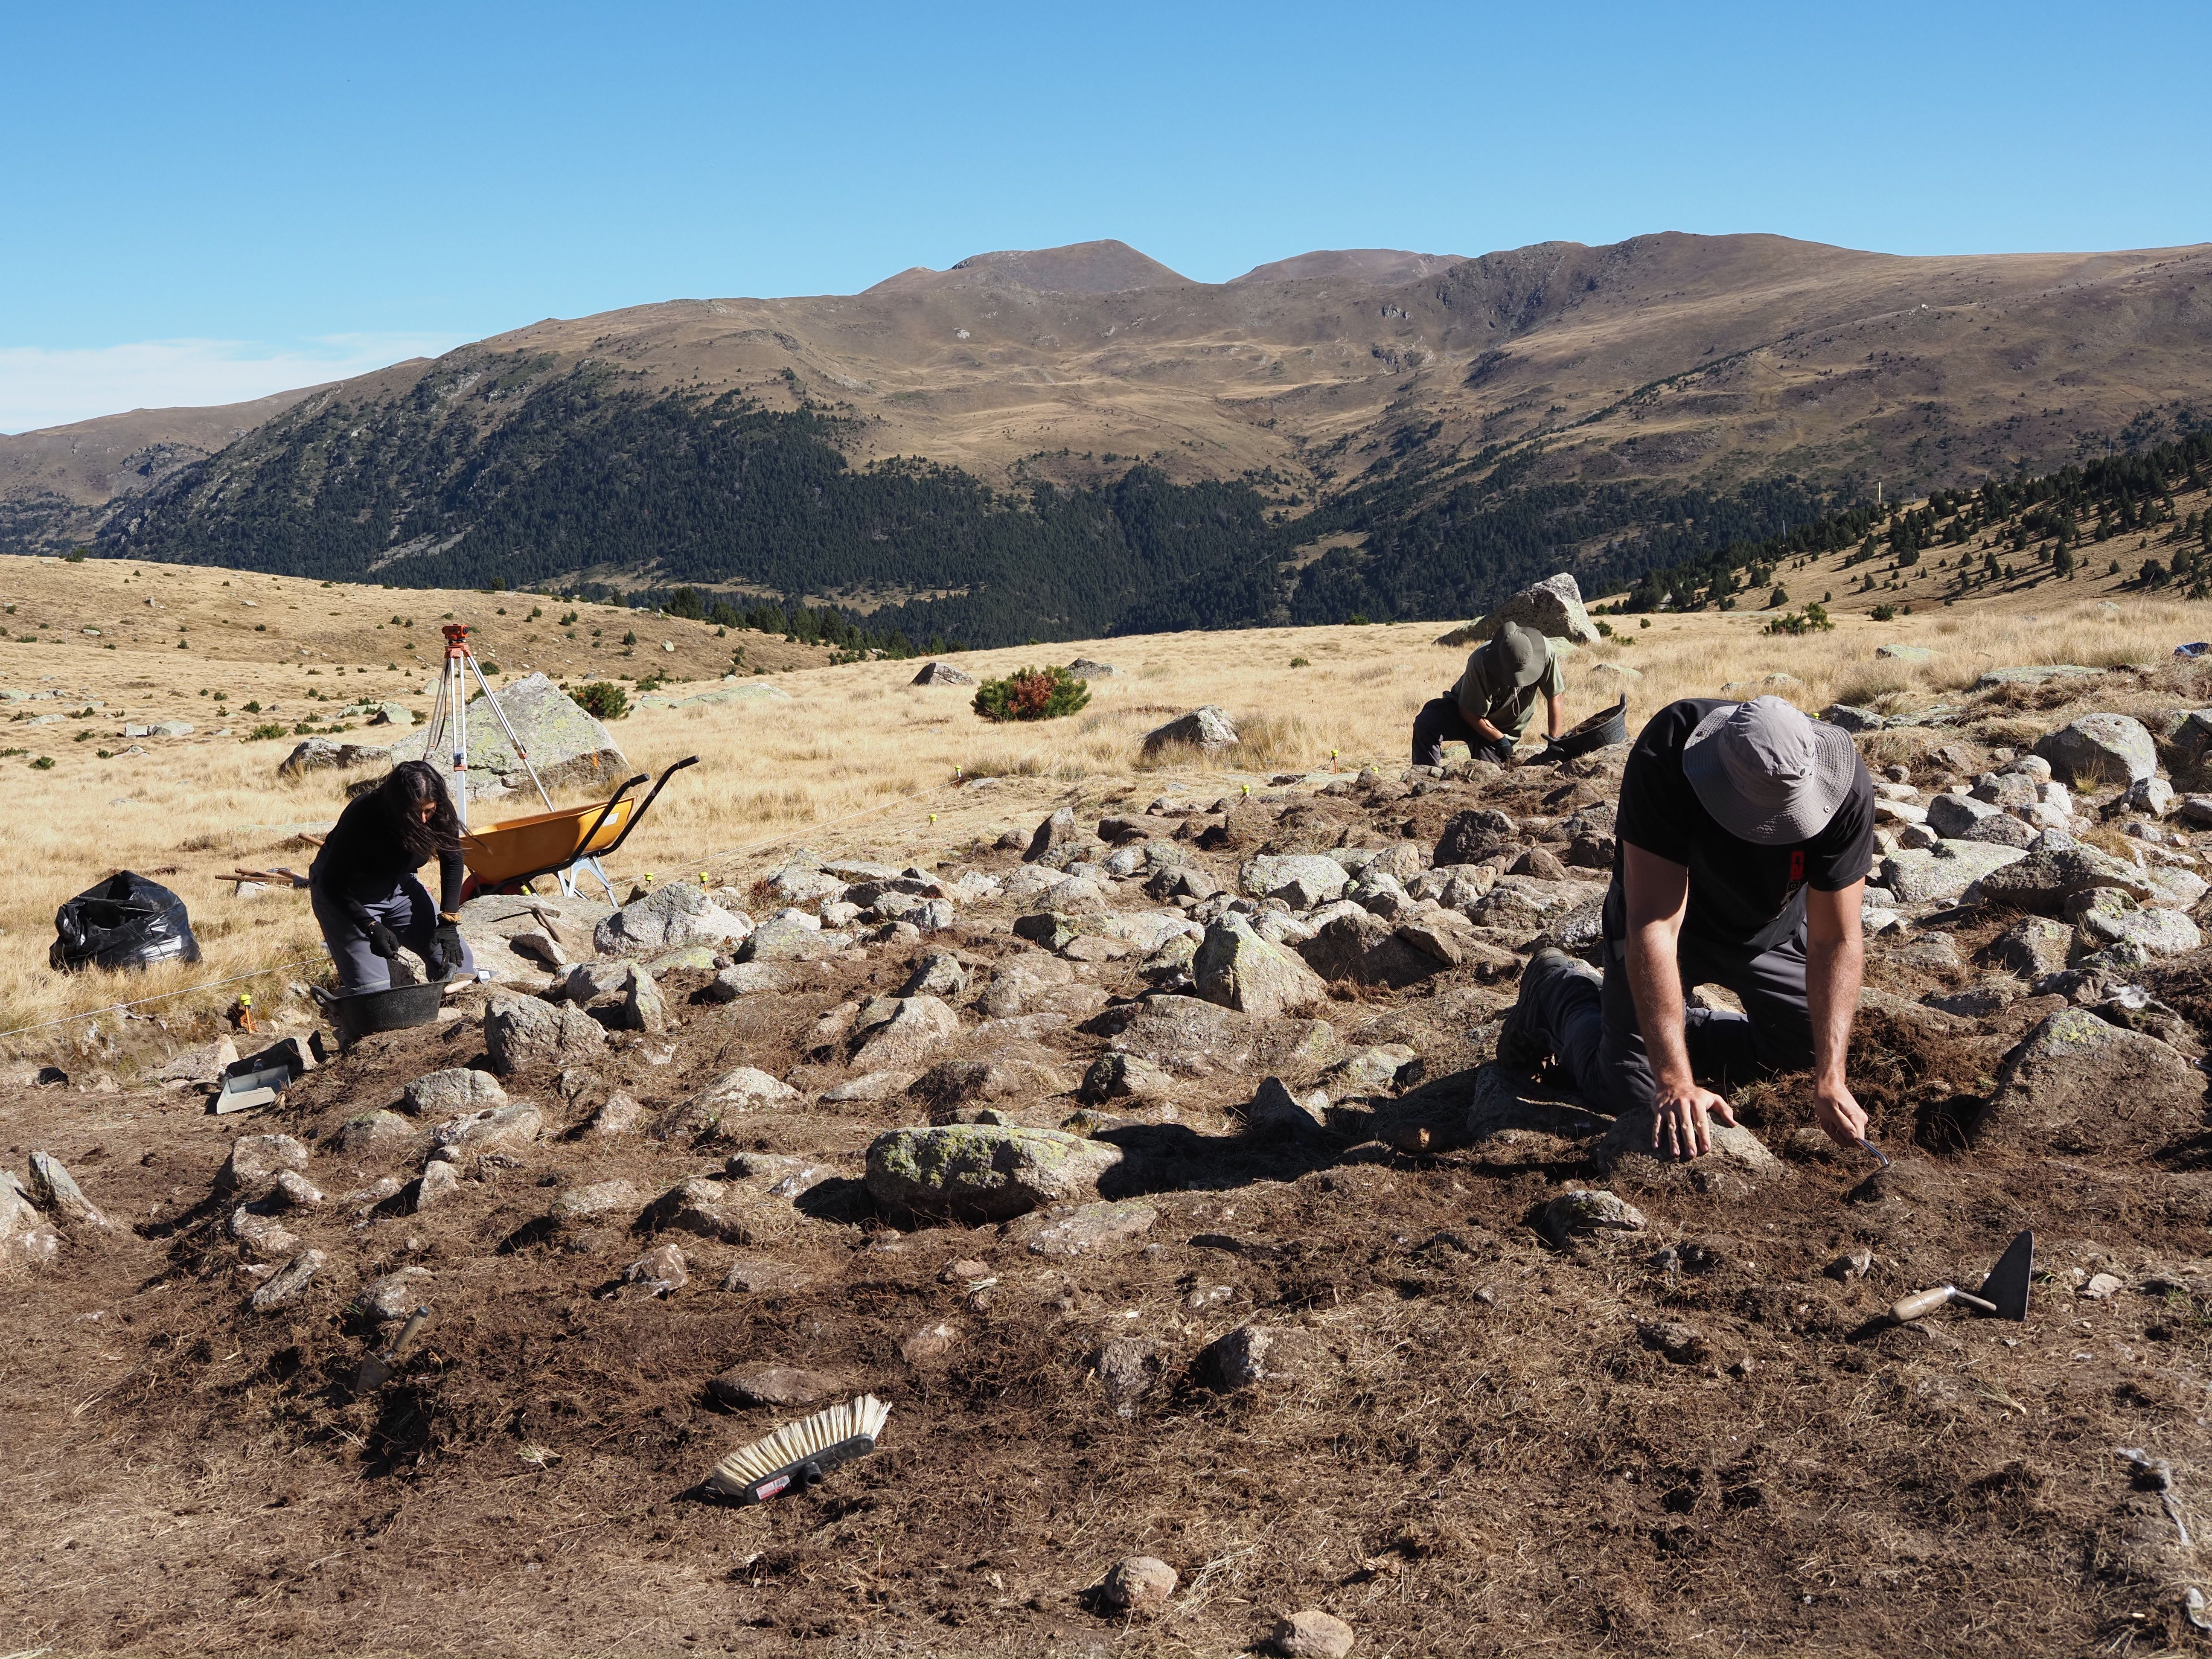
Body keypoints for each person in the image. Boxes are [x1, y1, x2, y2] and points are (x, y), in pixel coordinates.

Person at [1498, 695, 1873, 1157]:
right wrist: (1674, 1080)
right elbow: (1653, 925)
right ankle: (1557, 991)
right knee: (1631, 1093)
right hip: (1668, 928)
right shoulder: (1667, 752)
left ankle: (1670, 1027)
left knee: (1809, 1055)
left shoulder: (1846, 786)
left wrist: (1831, 1077)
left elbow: (1835, 938)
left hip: (1768, 933)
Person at [308, 760, 476, 992]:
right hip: (347, 895)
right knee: (374, 992)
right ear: (397, 804)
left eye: (429, 810)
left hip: (400, 887)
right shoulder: (364, 814)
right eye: (416, 812)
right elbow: (333, 883)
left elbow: (453, 859)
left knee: (459, 968)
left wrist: (448, 922)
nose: (424, 819)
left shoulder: (439, 807)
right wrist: (370, 926)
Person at [1410, 620, 1566, 767]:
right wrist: (1499, 740)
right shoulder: (1481, 660)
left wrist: (1555, 741)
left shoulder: (1545, 653)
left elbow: (1555, 696)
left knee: (1490, 780)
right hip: (1465, 713)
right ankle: (1425, 777)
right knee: (1427, 722)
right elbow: (1469, 713)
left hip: (1500, 729)